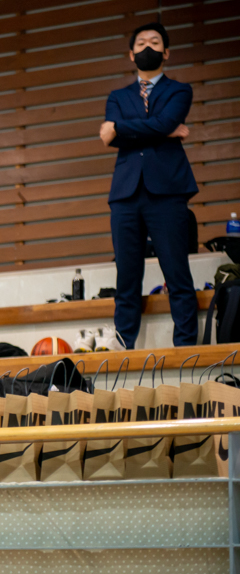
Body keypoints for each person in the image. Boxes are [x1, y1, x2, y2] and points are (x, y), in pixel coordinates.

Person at [100, 22, 199, 348]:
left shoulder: (180, 90)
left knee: (177, 273)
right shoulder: (117, 96)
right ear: (131, 54)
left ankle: (185, 349)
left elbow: (157, 123)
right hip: (125, 194)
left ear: (166, 52)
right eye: (141, 42)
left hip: (168, 191)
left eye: (155, 42)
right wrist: (164, 131)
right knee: (127, 277)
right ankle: (123, 347)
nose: (147, 47)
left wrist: (121, 129)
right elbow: (160, 127)